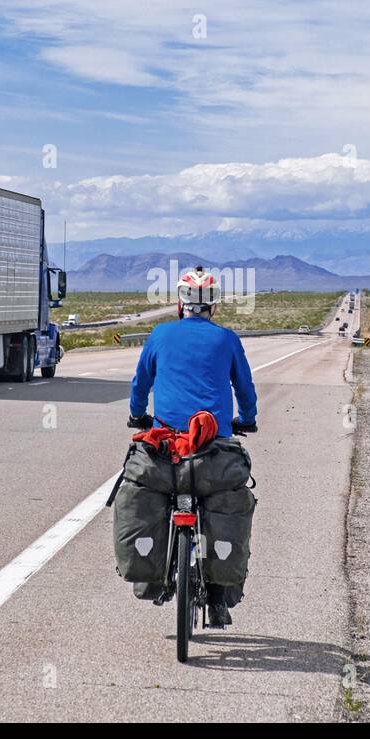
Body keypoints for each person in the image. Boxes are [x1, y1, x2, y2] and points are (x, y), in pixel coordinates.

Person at [127, 266, 257, 626]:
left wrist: (137, 415)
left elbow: (140, 385)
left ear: (179, 303)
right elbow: (244, 389)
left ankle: (154, 575)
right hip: (213, 450)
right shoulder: (227, 339)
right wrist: (247, 419)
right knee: (221, 507)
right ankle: (218, 599)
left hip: (165, 449)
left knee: (154, 497)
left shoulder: (159, 334)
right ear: (213, 305)